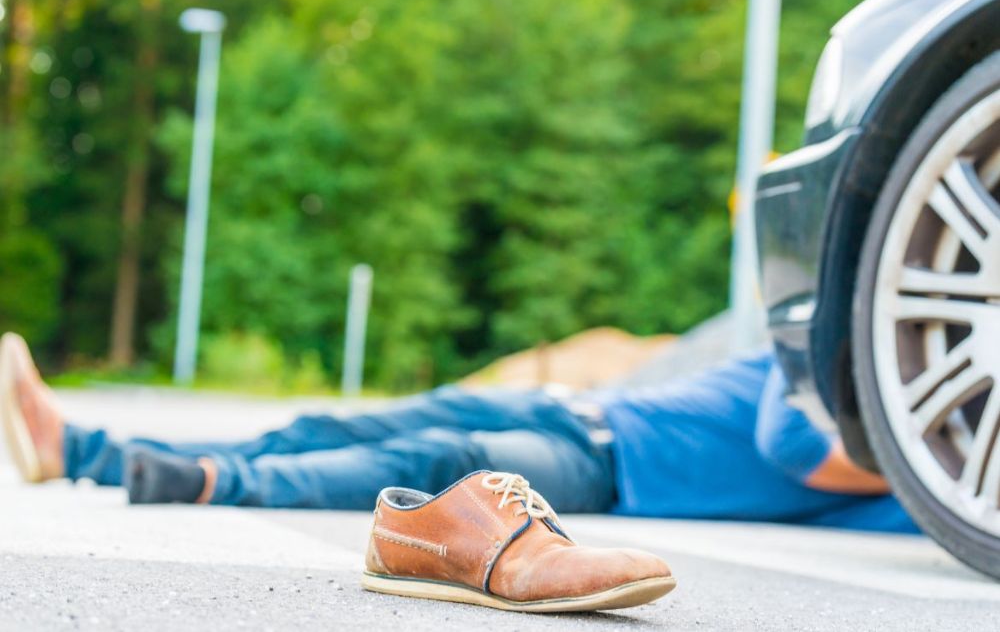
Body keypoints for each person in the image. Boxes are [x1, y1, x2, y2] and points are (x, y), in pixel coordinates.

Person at [0, 332, 916, 532]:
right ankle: (78, 450)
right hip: (565, 409)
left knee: (440, 464)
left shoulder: (859, 413)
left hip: (602, 466)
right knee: (338, 420)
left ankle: (197, 478)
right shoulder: (831, 348)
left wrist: (902, 471)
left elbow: (791, 452)